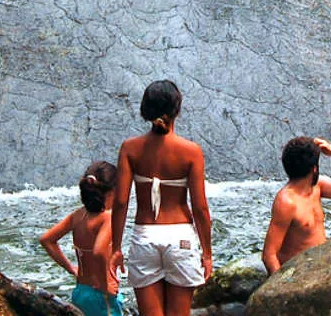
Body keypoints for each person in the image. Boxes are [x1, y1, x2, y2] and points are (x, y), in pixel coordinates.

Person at [112, 81, 212, 316]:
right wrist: (207, 253)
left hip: (145, 236)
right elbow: (200, 207)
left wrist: (116, 248)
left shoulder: (130, 148)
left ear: (145, 109)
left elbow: (120, 202)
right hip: (180, 237)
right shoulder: (191, 151)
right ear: (177, 109)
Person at [261, 137, 331, 274]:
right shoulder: (286, 202)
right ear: (315, 169)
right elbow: (269, 255)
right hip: (299, 273)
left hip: (321, 267)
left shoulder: (317, 187)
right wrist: (283, 283)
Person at [41, 162, 126, 316]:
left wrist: (70, 268)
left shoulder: (78, 215)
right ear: (112, 192)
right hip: (101, 295)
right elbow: (99, 251)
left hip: (80, 291)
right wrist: (105, 284)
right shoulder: (107, 218)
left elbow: (47, 240)